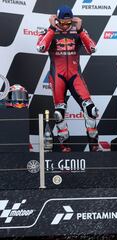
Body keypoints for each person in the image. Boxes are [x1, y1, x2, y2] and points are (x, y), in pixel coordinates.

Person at [36, 5, 101, 152]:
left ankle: (94, 146)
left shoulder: (78, 31)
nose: (65, 26)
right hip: (57, 76)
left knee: (91, 110)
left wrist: (79, 30)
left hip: (74, 75)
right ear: (56, 19)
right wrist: (52, 29)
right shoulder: (49, 31)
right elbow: (40, 48)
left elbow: (92, 49)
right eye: (62, 23)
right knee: (59, 114)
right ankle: (65, 147)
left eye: (68, 23)